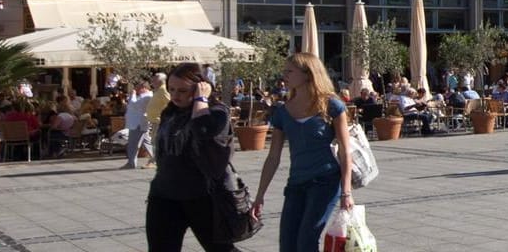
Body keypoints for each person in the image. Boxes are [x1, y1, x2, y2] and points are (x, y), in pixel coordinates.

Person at [253, 51, 353, 252]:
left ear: (308, 74)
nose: (285, 75)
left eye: (290, 71)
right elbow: (273, 157)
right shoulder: (282, 111)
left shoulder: (331, 105)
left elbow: (345, 150)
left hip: (325, 181)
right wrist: (260, 195)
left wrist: (346, 191)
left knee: (306, 241)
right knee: (287, 244)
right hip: (296, 183)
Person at [145, 62, 237, 252]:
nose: (175, 95)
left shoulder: (217, 112)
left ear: (198, 88)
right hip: (164, 195)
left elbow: (203, 130)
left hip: (203, 196)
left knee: (220, 249)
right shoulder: (170, 112)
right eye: (171, 89)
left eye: (182, 90)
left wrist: (200, 100)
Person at [124, 77, 155, 169]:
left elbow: (133, 105)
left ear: (144, 87)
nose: (136, 90)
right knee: (147, 142)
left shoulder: (147, 97)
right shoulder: (143, 96)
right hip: (138, 123)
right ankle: (157, 159)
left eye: (138, 88)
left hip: (137, 123)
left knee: (133, 144)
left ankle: (131, 163)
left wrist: (132, 95)